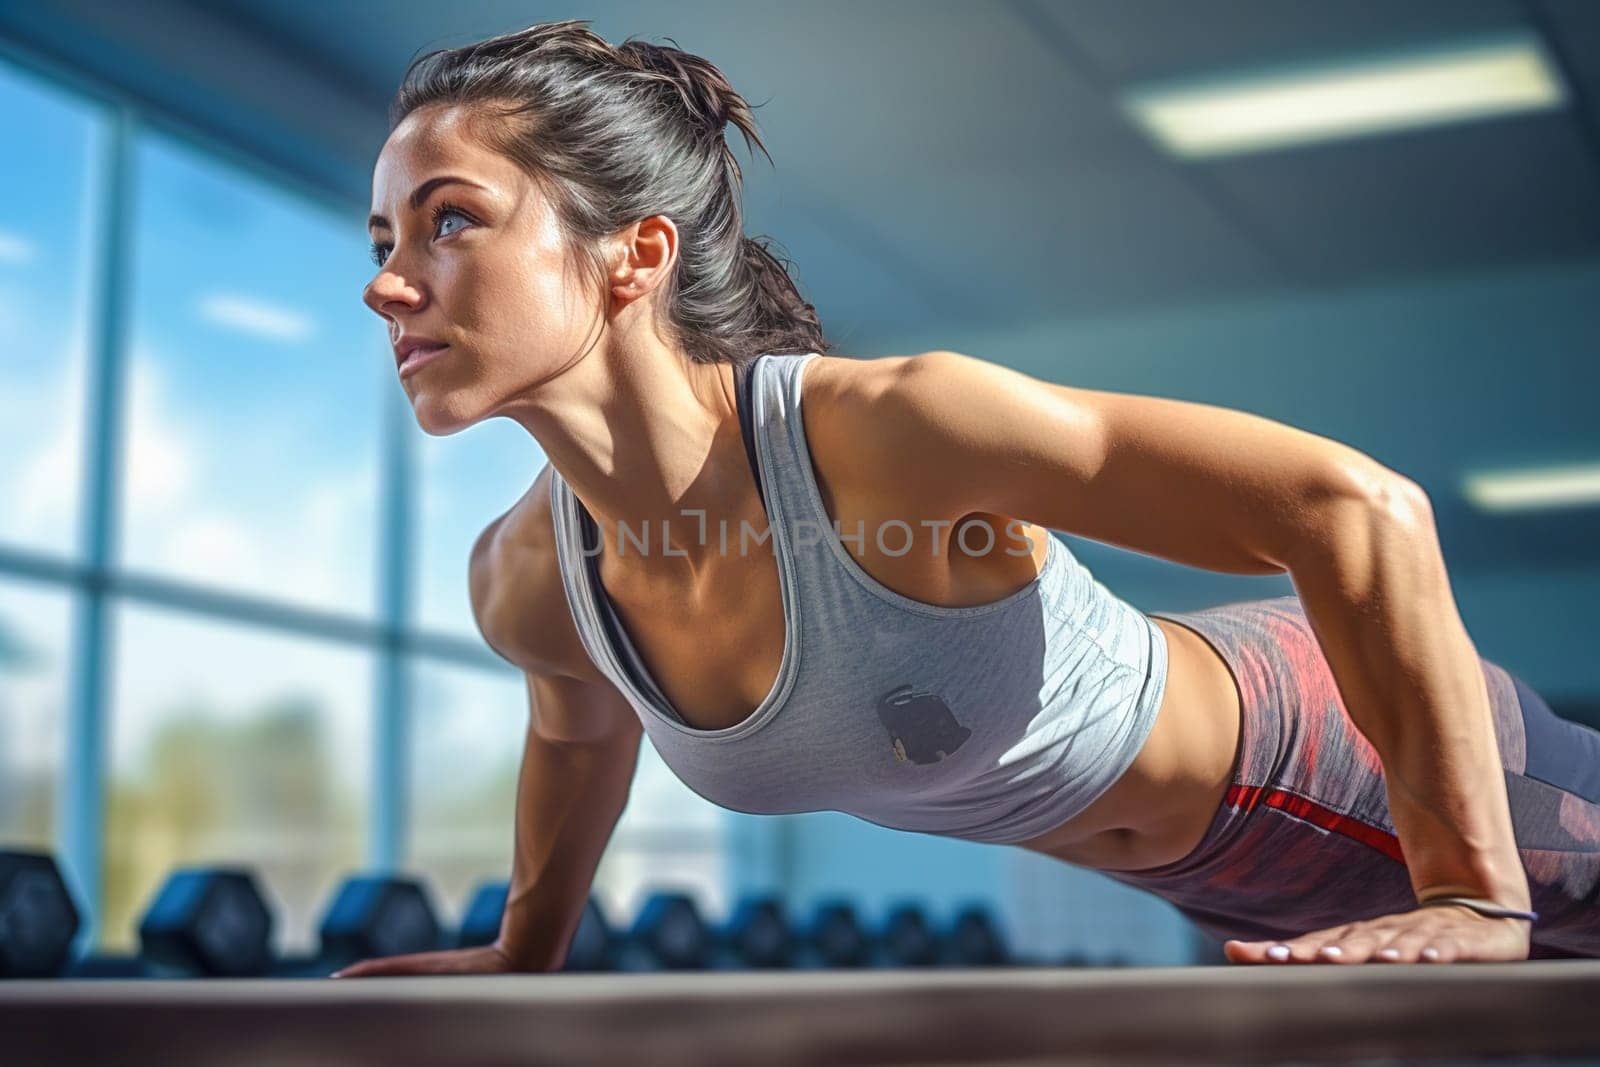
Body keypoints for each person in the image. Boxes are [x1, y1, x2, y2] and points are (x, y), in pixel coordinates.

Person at [335, 20, 1598, 975]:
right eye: (384, 240)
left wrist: (1476, 889)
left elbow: (1354, 508)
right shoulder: (528, 578)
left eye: (450, 222)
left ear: (636, 254)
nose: (391, 284)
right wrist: (524, 951)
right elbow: (577, 732)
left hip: (1335, 757)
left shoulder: (887, 431)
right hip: (1223, 884)